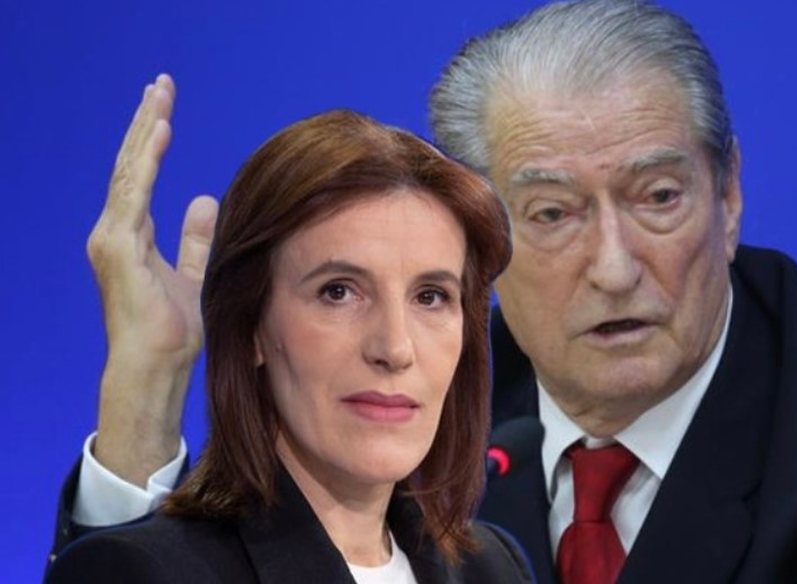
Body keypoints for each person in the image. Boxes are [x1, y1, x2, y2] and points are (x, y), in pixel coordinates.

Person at [49, 1, 797, 583]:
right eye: (551, 212)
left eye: (658, 198)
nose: (614, 267)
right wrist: (145, 399)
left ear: (730, 196)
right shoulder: (438, 411)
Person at [46, 75, 533, 583]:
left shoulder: (493, 568)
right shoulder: (150, 570)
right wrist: (147, 380)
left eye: (431, 297)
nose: (395, 347)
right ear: (252, 327)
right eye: (338, 291)